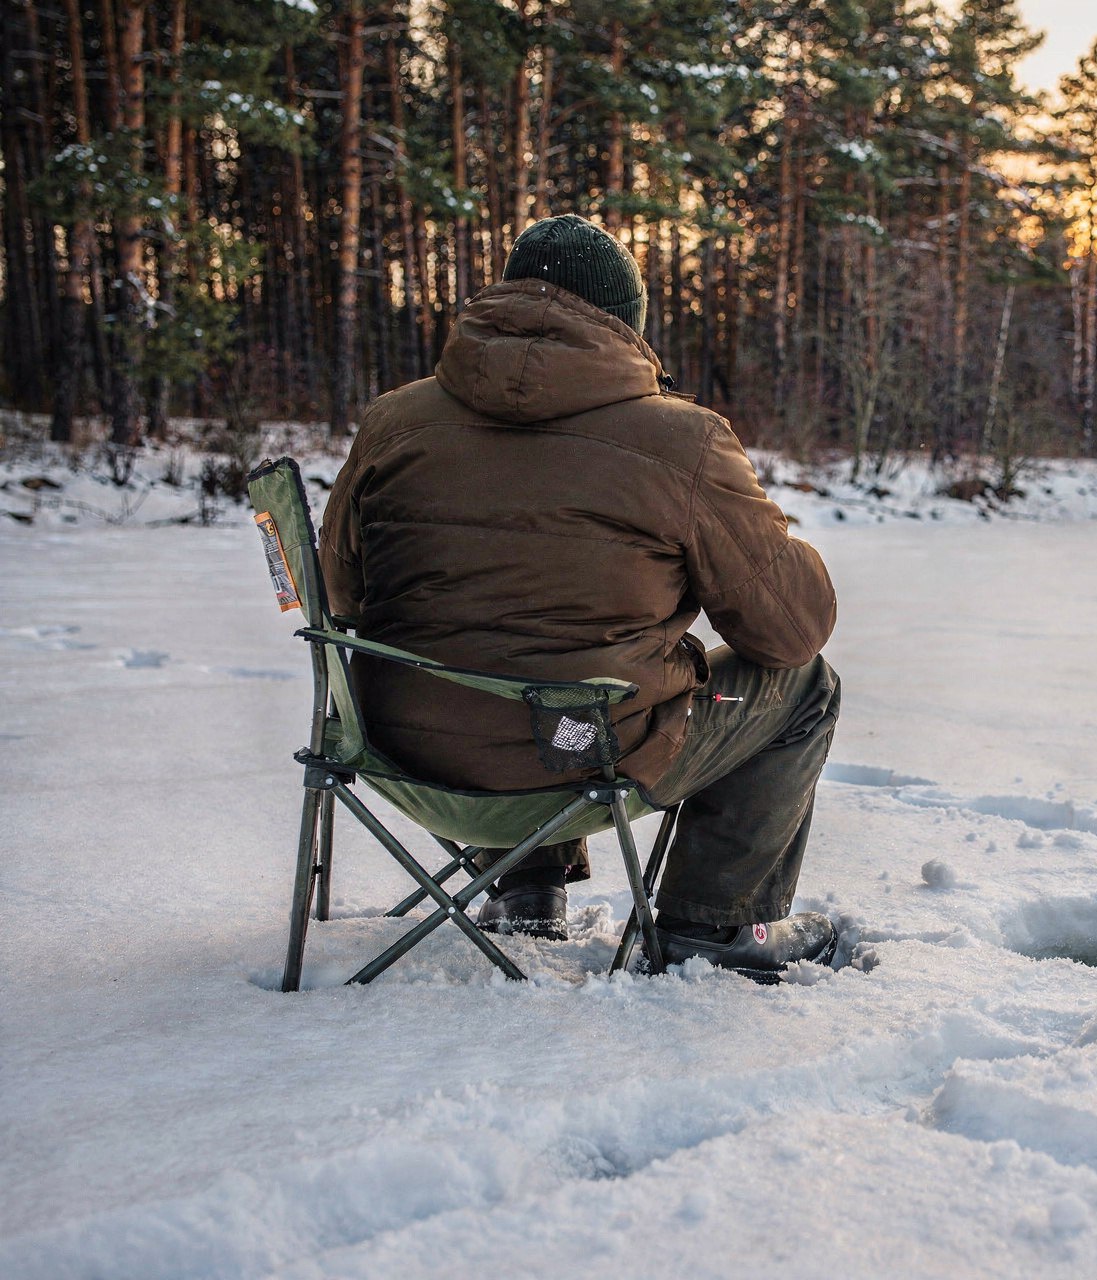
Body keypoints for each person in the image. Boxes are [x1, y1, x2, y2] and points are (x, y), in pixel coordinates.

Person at [319, 214, 840, 978]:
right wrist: (767, 533)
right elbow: (791, 632)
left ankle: (527, 883)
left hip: (403, 746)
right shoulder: (683, 441)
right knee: (804, 687)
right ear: (626, 325)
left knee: (506, 653)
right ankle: (717, 923)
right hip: (578, 756)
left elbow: (342, 592)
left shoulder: (393, 421)